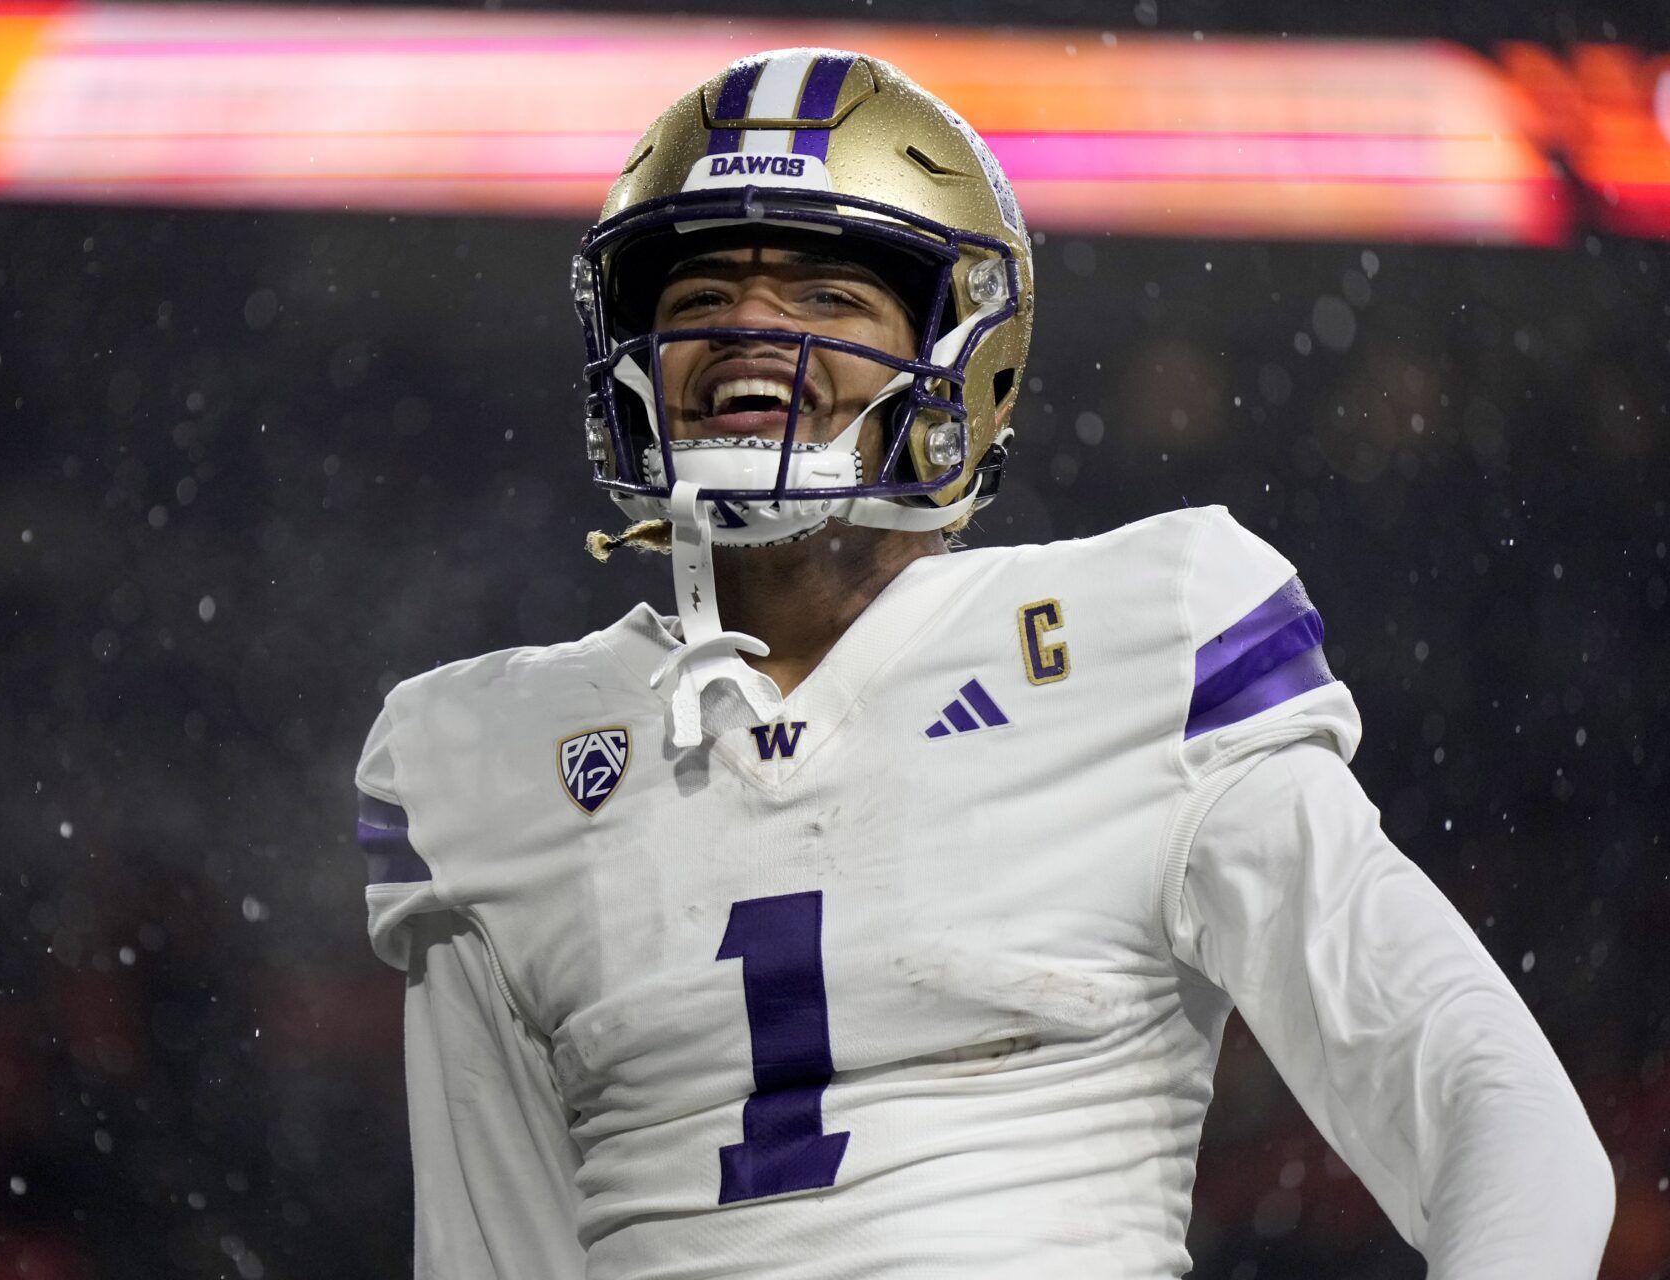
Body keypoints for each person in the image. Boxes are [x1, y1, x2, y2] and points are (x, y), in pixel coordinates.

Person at [352, 48, 1613, 1279]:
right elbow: (492, 1251)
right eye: (697, 302)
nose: (749, 330)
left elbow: (1491, 1109)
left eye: (826, 297)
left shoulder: (1144, 637)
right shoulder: (490, 757)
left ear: (965, 363)